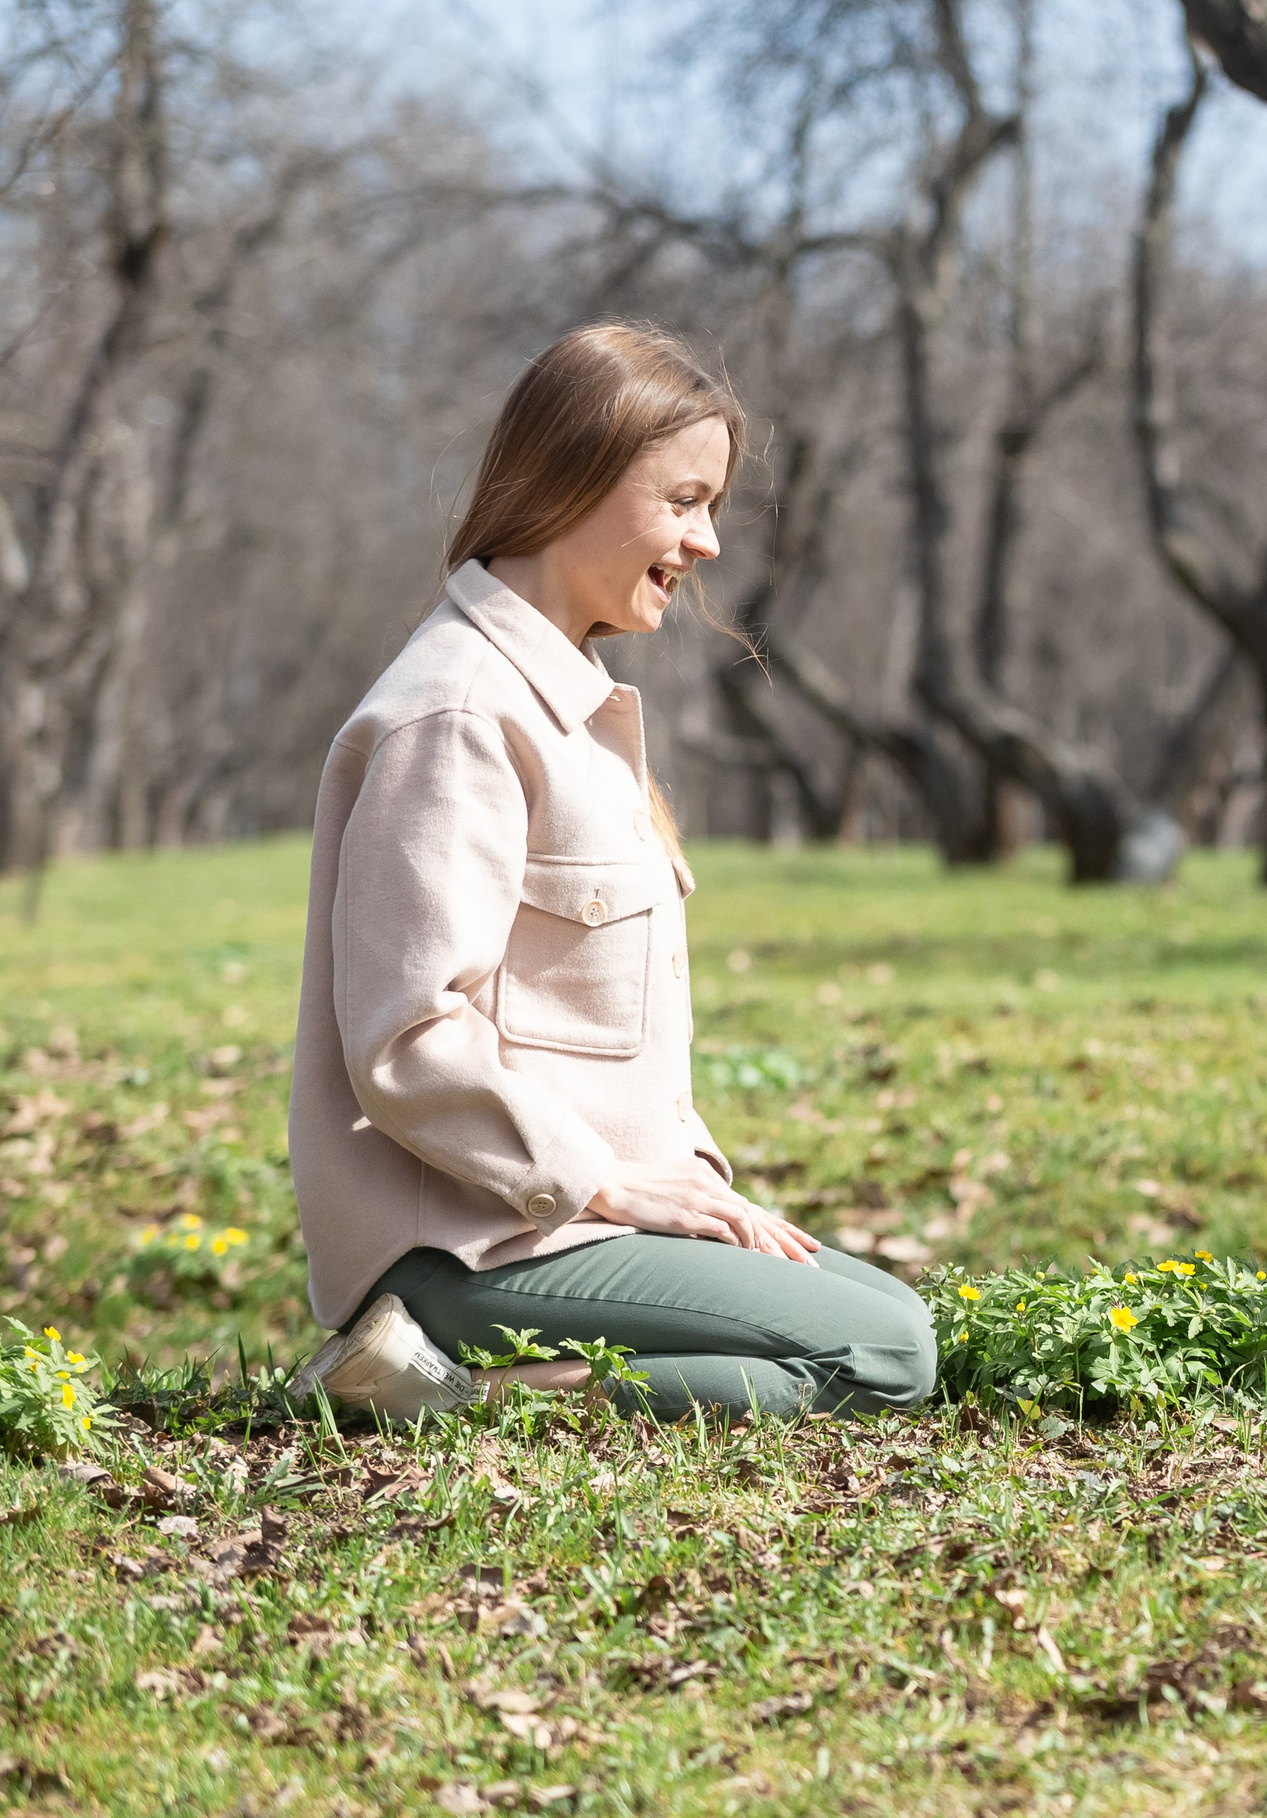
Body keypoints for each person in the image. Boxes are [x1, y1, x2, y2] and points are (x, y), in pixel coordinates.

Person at [285, 323, 935, 1423]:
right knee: (884, 1348)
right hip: (470, 1241)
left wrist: (674, 1191)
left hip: (568, 1222)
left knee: (884, 1310)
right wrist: (601, 1184)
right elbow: (407, 1035)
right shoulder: (457, 709)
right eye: (684, 501)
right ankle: (434, 1386)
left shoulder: (569, 700)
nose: (710, 542)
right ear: (569, 478)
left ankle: (461, 1382)